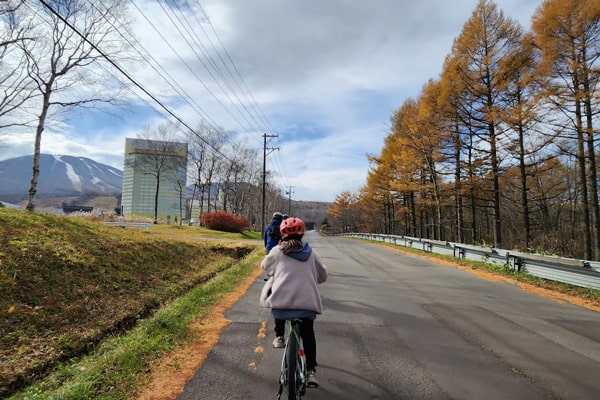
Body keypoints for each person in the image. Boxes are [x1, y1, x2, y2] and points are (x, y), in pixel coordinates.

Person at [260, 217, 328, 388]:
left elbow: (264, 267)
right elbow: (323, 276)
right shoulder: (312, 253)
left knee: (280, 303)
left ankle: (280, 336)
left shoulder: (276, 251)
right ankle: (311, 371)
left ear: (282, 235)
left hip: (282, 306)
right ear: (302, 234)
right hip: (307, 306)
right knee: (308, 334)